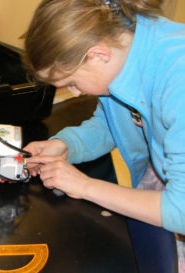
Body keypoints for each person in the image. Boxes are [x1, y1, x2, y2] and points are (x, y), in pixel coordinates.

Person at [23, 0, 185, 270]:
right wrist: (66, 145)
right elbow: (115, 122)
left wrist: (84, 186)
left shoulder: (178, 77)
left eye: (72, 83)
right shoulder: (123, 44)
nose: (75, 93)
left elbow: (181, 210)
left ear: (98, 55)